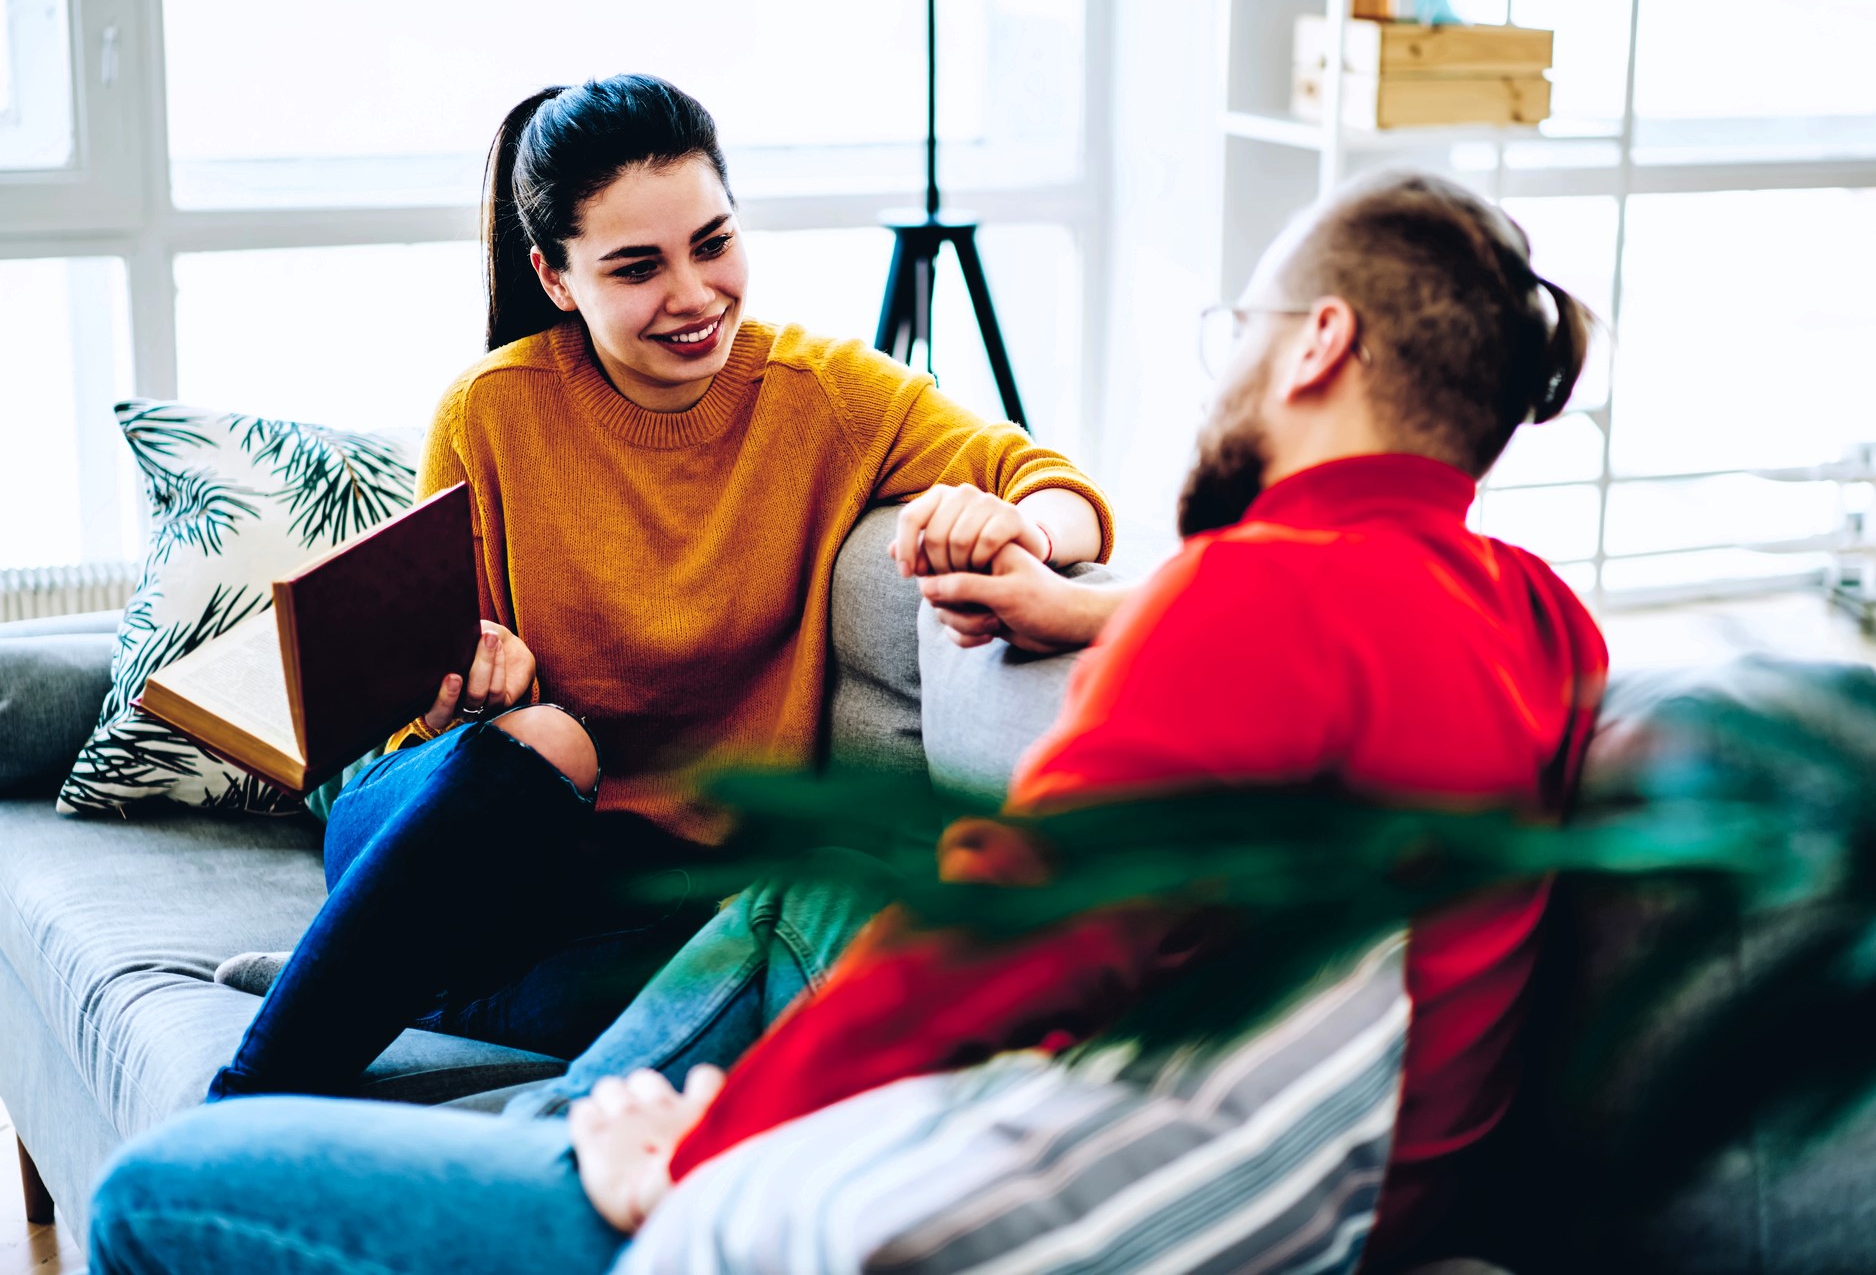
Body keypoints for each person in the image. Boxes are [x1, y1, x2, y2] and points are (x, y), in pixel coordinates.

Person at [92, 169, 1606, 1275]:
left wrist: (700, 1159)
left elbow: (1000, 939)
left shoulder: (1259, 600)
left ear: (1317, 345)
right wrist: (1101, 611)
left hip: (1005, 1202)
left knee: (159, 1192)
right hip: (1341, 1187)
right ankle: (559, 1115)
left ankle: (568, 1145)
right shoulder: (1538, 614)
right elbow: (1372, 662)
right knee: (809, 882)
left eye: (1238, 326)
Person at [203, 72, 1112, 1103]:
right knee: (551, 742)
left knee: (788, 954)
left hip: (648, 902)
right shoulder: (491, 410)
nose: (693, 295)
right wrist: (465, 694)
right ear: (554, 276)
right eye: (637, 267)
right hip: (453, 829)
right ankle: (245, 1095)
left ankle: (391, 977)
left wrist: (1019, 527)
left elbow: (1057, 485)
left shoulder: (822, 396)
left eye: (713, 242)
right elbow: (437, 705)